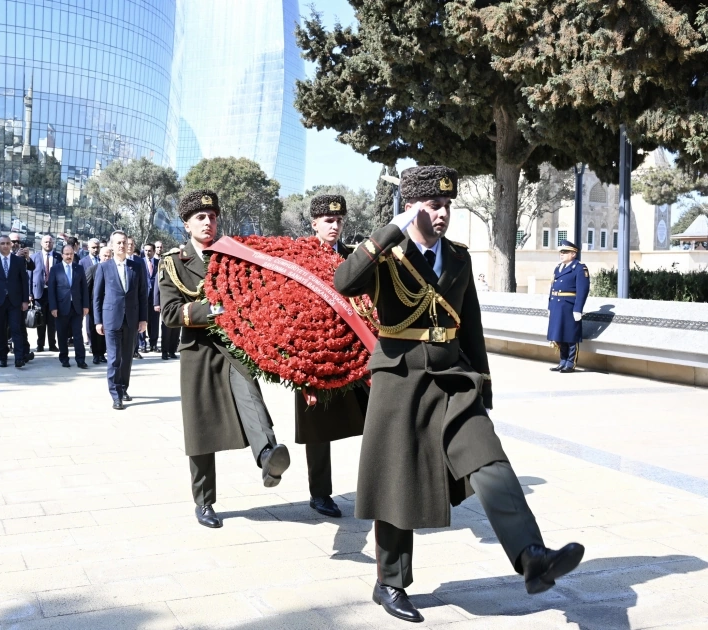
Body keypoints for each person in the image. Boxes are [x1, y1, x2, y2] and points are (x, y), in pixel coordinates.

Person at [334, 166, 584, 623]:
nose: (443, 213)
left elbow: (471, 325)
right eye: (434, 205)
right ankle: (390, 583)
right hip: (400, 380)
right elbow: (344, 282)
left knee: (489, 459)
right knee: (397, 482)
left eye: (448, 205)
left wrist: (483, 385)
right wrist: (389, 231)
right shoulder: (387, 254)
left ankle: (531, 556)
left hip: (452, 377)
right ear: (412, 207)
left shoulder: (458, 257)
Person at [159, 190, 291, 529]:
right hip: (199, 351)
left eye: (213, 217)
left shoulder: (231, 256)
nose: (208, 222)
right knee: (201, 427)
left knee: (250, 395)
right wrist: (216, 308)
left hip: (234, 345)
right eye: (200, 217)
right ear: (186, 224)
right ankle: (204, 501)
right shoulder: (174, 262)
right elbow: (171, 313)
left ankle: (268, 456)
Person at [295, 195, 368, 518]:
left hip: (355, 352)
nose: (335, 226)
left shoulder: (354, 257)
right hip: (315, 354)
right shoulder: (299, 257)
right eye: (328, 221)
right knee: (318, 427)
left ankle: (380, 486)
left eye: (339, 220)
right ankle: (320, 493)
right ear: (314, 223)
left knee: (378, 416)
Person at [93, 231, 147, 410]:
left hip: (131, 319)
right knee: (114, 358)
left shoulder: (136, 267)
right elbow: (97, 297)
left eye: (124, 242)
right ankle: (115, 395)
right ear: (112, 245)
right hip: (111, 319)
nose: (122, 246)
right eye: (118, 243)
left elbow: (142, 294)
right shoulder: (104, 267)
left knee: (127, 358)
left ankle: (123, 388)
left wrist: (143, 319)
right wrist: (98, 321)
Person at [0, 235, 30, 368]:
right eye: (2, 243)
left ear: (11, 245)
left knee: (16, 329)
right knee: (0, 330)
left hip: (15, 301)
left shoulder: (18, 261)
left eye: (7, 243)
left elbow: (24, 282)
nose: (5, 246)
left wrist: (25, 300)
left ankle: (19, 358)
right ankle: (2, 357)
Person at [547, 240, 590, 373]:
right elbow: (552, 289)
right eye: (561, 252)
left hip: (569, 307)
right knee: (560, 335)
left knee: (570, 336)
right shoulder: (558, 268)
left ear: (573, 254)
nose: (562, 254)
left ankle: (570, 363)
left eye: (565, 252)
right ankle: (563, 361)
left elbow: (582, 290)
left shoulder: (579, 268)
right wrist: (550, 306)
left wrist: (578, 309)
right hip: (557, 306)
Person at [49, 244, 90, 368]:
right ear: (62, 255)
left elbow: (84, 288)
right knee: (62, 334)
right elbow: (51, 290)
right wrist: (53, 307)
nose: (69, 256)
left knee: (78, 334)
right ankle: (64, 358)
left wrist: (85, 305)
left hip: (76, 307)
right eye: (66, 254)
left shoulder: (79, 268)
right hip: (61, 307)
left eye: (71, 254)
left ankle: (80, 360)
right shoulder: (55, 269)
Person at [31, 234, 62, 352]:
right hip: (39, 293)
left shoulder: (58, 257)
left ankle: (52, 344)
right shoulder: (34, 257)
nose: (48, 244)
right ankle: (40, 344)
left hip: (54, 293)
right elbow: (29, 276)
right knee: (40, 320)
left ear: (53, 243)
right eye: (46, 242)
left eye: (50, 242)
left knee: (52, 320)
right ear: (41, 243)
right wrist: (30, 293)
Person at [9, 232, 36, 362]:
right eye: (13, 242)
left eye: (18, 242)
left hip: (20, 297)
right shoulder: (5, 256)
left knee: (21, 326)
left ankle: (24, 351)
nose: (16, 244)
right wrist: (15, 257)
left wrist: (27, 257)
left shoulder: (21, 256)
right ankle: (9, 349)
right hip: (7, 297)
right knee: (10, 327)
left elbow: (32, 267)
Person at [85, 246, 110, 364]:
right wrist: (86, 306)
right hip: (94, 306)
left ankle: (102, 354)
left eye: (109, 256)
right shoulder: (92, 270)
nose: (107, 258)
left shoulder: (113, 270)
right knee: (94, 330)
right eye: (105, 256)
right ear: (100, 256)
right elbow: (86, 290)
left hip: (108, 306)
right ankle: (96, 354)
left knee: (106, 330)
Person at [139, 243, 159, 353]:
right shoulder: (140, 262)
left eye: (150, 250)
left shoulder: (158, 263)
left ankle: (153, 344)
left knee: (154, 321)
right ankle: (142, 344)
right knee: (142, 319)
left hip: (154, 297)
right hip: (143, 296)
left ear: (154, 251)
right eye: (145, 250)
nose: (147, 252)